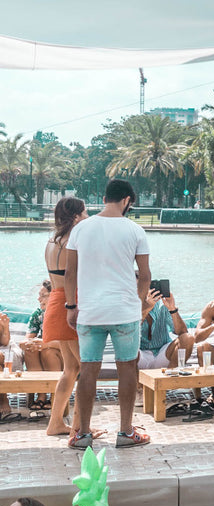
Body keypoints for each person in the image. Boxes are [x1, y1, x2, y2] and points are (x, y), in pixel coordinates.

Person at [65, 179, 151, 450]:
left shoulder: (81, 229)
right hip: (124, 310)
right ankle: (126, 431)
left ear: (104, 198)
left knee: (88, 369)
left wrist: (70, 306)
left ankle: (82, 434)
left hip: (90, 312)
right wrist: (136, 304)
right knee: (128, 367)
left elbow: (70, 273)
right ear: (127, 200)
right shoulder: (135, 230)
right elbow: (145, 276)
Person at [43, 197, 88, 437]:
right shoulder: (74, 240)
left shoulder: (52, 241)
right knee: (86, 368)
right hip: (71, 304)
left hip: (56, 302)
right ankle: (80, 428)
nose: (88, 217)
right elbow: (74, 274)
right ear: (76, 217)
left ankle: (56, 424)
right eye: (85, 212)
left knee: (71, 369)